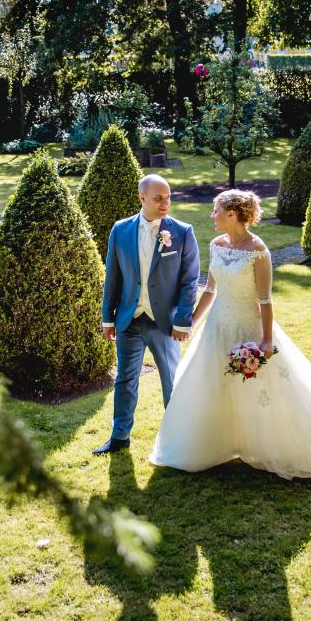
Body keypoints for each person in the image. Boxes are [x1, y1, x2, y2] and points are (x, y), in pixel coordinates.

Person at [150, 189, 311, 477]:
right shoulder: (217, 244)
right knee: (214, 383)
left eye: (216, 210)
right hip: (217, 326)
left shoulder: (258, 250)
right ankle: (220, 443)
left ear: (232, 214)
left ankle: (274, 443)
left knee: (259, 389)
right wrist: (191, 322)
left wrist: (266, 339)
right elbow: (211, 290)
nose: (212, 215)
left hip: (249, 325)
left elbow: (264, 300)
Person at [93, 174, 200, 455]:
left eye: (168, 197)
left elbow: (191, 280)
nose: (165, 203)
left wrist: (182, 320)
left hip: (165, 322)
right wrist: (108, 318)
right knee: (125, 380)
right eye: (158, 198)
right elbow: (112, 277)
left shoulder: (182, 231)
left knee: (171, 380)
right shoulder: (120, 230)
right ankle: (119, 436)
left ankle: (179, 439)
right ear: (142, 198)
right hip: (128, 319)